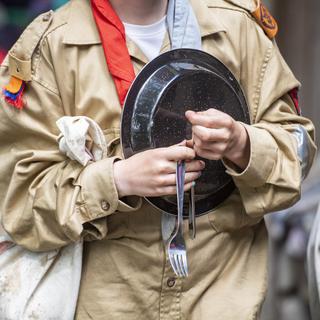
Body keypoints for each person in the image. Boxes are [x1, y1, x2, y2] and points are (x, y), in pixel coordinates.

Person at [0, 0, 316, 319]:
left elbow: (299, 152)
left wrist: (242, 143)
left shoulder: (238, 28)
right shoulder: (50, 48)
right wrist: (117, 180)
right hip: (106, 306)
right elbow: (17, 203)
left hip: (221, 300)